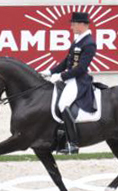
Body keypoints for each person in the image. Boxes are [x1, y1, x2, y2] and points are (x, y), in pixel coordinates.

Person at [40, 12, 97, 154]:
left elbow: (81, 68)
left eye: (73, 24)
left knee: (62, 104)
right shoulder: (78, 40)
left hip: (79, 81)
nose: (71, 27)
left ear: (82, 24)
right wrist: (51, 71)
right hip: (71, 78)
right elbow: (67, 62)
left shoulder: (89, 43)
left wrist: (61, 77)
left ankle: (73, 143)